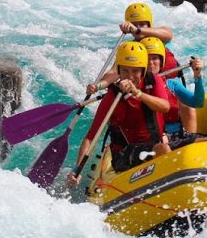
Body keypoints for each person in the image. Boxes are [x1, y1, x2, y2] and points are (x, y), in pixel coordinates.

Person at [67, 42, 171, 186]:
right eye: (125, 71)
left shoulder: (153, 81)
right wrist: (77, 169)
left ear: (143, 70)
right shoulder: (112, 97)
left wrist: (137, 93)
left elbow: (165, 107)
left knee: (197, 140)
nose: (130, 76)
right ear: (119, 72)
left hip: (154, 144)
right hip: (124, 154)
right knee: (163, 149)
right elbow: (91, 138)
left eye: (135, 71)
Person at [87, 2, 181, 95]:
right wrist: (98, 86)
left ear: (149, 25)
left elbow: (169, 34)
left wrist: (138, 30)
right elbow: (115, 72)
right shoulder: (129, 48)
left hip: (170, 85)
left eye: (142, 24)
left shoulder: (159, 36)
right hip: (145, 89)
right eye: (134, 25)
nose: (137, 27)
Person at [140, 36, 205, 135]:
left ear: (161, 62)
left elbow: (198, 102)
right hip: (151, 139)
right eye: (147, 58)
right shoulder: (134, 87)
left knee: (189, 109)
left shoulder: (172, 84)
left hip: (174, 136)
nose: (150, 63)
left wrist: (197, 75)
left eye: (154, 58)